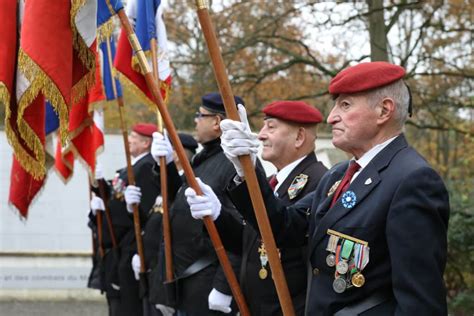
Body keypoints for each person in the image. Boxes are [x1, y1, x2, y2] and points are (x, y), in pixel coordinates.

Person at [186, 62, 450, 315]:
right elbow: (286, 226)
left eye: (345, 105)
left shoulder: (413, 180)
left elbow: (419, 303)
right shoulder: (338, 175)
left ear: (384, 111)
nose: (332, 117)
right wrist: (248, 171)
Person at [126, 93, 245, 315]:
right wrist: (166, 166)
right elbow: (178, 199)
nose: (195, 121)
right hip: (186, 281)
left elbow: (240, 233)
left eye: (201, 115)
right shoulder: (205, 158)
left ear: (217, 122)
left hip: (206, 284)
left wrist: (224, 286)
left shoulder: (232, 164)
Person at [209, 100, 328, 315]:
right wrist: (217, 215)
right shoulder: (273, 181)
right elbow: (247, 243)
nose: (260, 135)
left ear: (299, 137)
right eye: (263, 127)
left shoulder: (320, 182)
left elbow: (284, 230)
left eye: (271, 127)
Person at [90, 123, 161, 316]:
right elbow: (117, 199)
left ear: (146, 143)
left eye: (134, 137)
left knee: (127, 306)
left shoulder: (146, 167)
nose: (129, 139)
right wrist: (99, 187)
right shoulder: (132, 167)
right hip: (118, 246)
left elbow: (144, 212)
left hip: (129, 245)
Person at [128, 133, 199, 316]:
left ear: (176, 154)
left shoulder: (188, 184)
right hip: (153, 268)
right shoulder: (164, 183)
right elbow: (153, 223)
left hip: (170, 272)